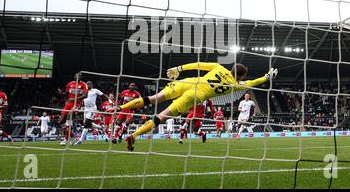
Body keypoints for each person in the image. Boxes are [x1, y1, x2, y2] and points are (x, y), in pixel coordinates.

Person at [114, 62, 278, 151]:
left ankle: (120, 108)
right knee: (162, 116)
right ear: (240, 76)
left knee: (153, 98)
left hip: (187, 82)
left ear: (231, 68)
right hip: (195, 95)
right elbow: (253, 83)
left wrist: (179, 68)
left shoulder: (218, 67)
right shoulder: (236, 85)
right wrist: (266, 77)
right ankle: (133, 136)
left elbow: (198, 64)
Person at [57, 73, 88, 146]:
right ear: (74, 76)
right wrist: (61, 93)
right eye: (78, 75)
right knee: (61, 121)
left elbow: (85, 95)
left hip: (76, 104)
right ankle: (72, 136)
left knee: (69, 117)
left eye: (80, 76)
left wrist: (74, 99)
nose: (79, 77)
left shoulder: (84, 84)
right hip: (68, 104)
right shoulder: (70, 84)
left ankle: (66, 139)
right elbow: (66, 94)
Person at [74, 81, 107, 145]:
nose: (89, 85)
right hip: (86, 109)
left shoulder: (95, 90)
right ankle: (100, 127)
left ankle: (80, 140)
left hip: (92, 109)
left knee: (86, 124)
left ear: (92, 85)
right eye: (88, 84)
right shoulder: (84, 91)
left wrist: (108, 101)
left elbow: (103, 95)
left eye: (90, 84)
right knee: (87, 123)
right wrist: (79, 107)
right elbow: (81, 100)